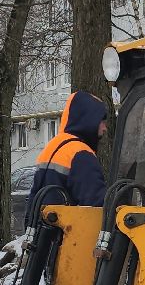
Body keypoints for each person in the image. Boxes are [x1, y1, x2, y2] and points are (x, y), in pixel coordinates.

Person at [25, 89, 109, 225]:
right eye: (102, 121)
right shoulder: (81, 154)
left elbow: (34, 197)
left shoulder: (53, 146)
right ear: (89, 119)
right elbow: (95, 207)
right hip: (68, 239)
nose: (105, 128)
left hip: (43, 236)